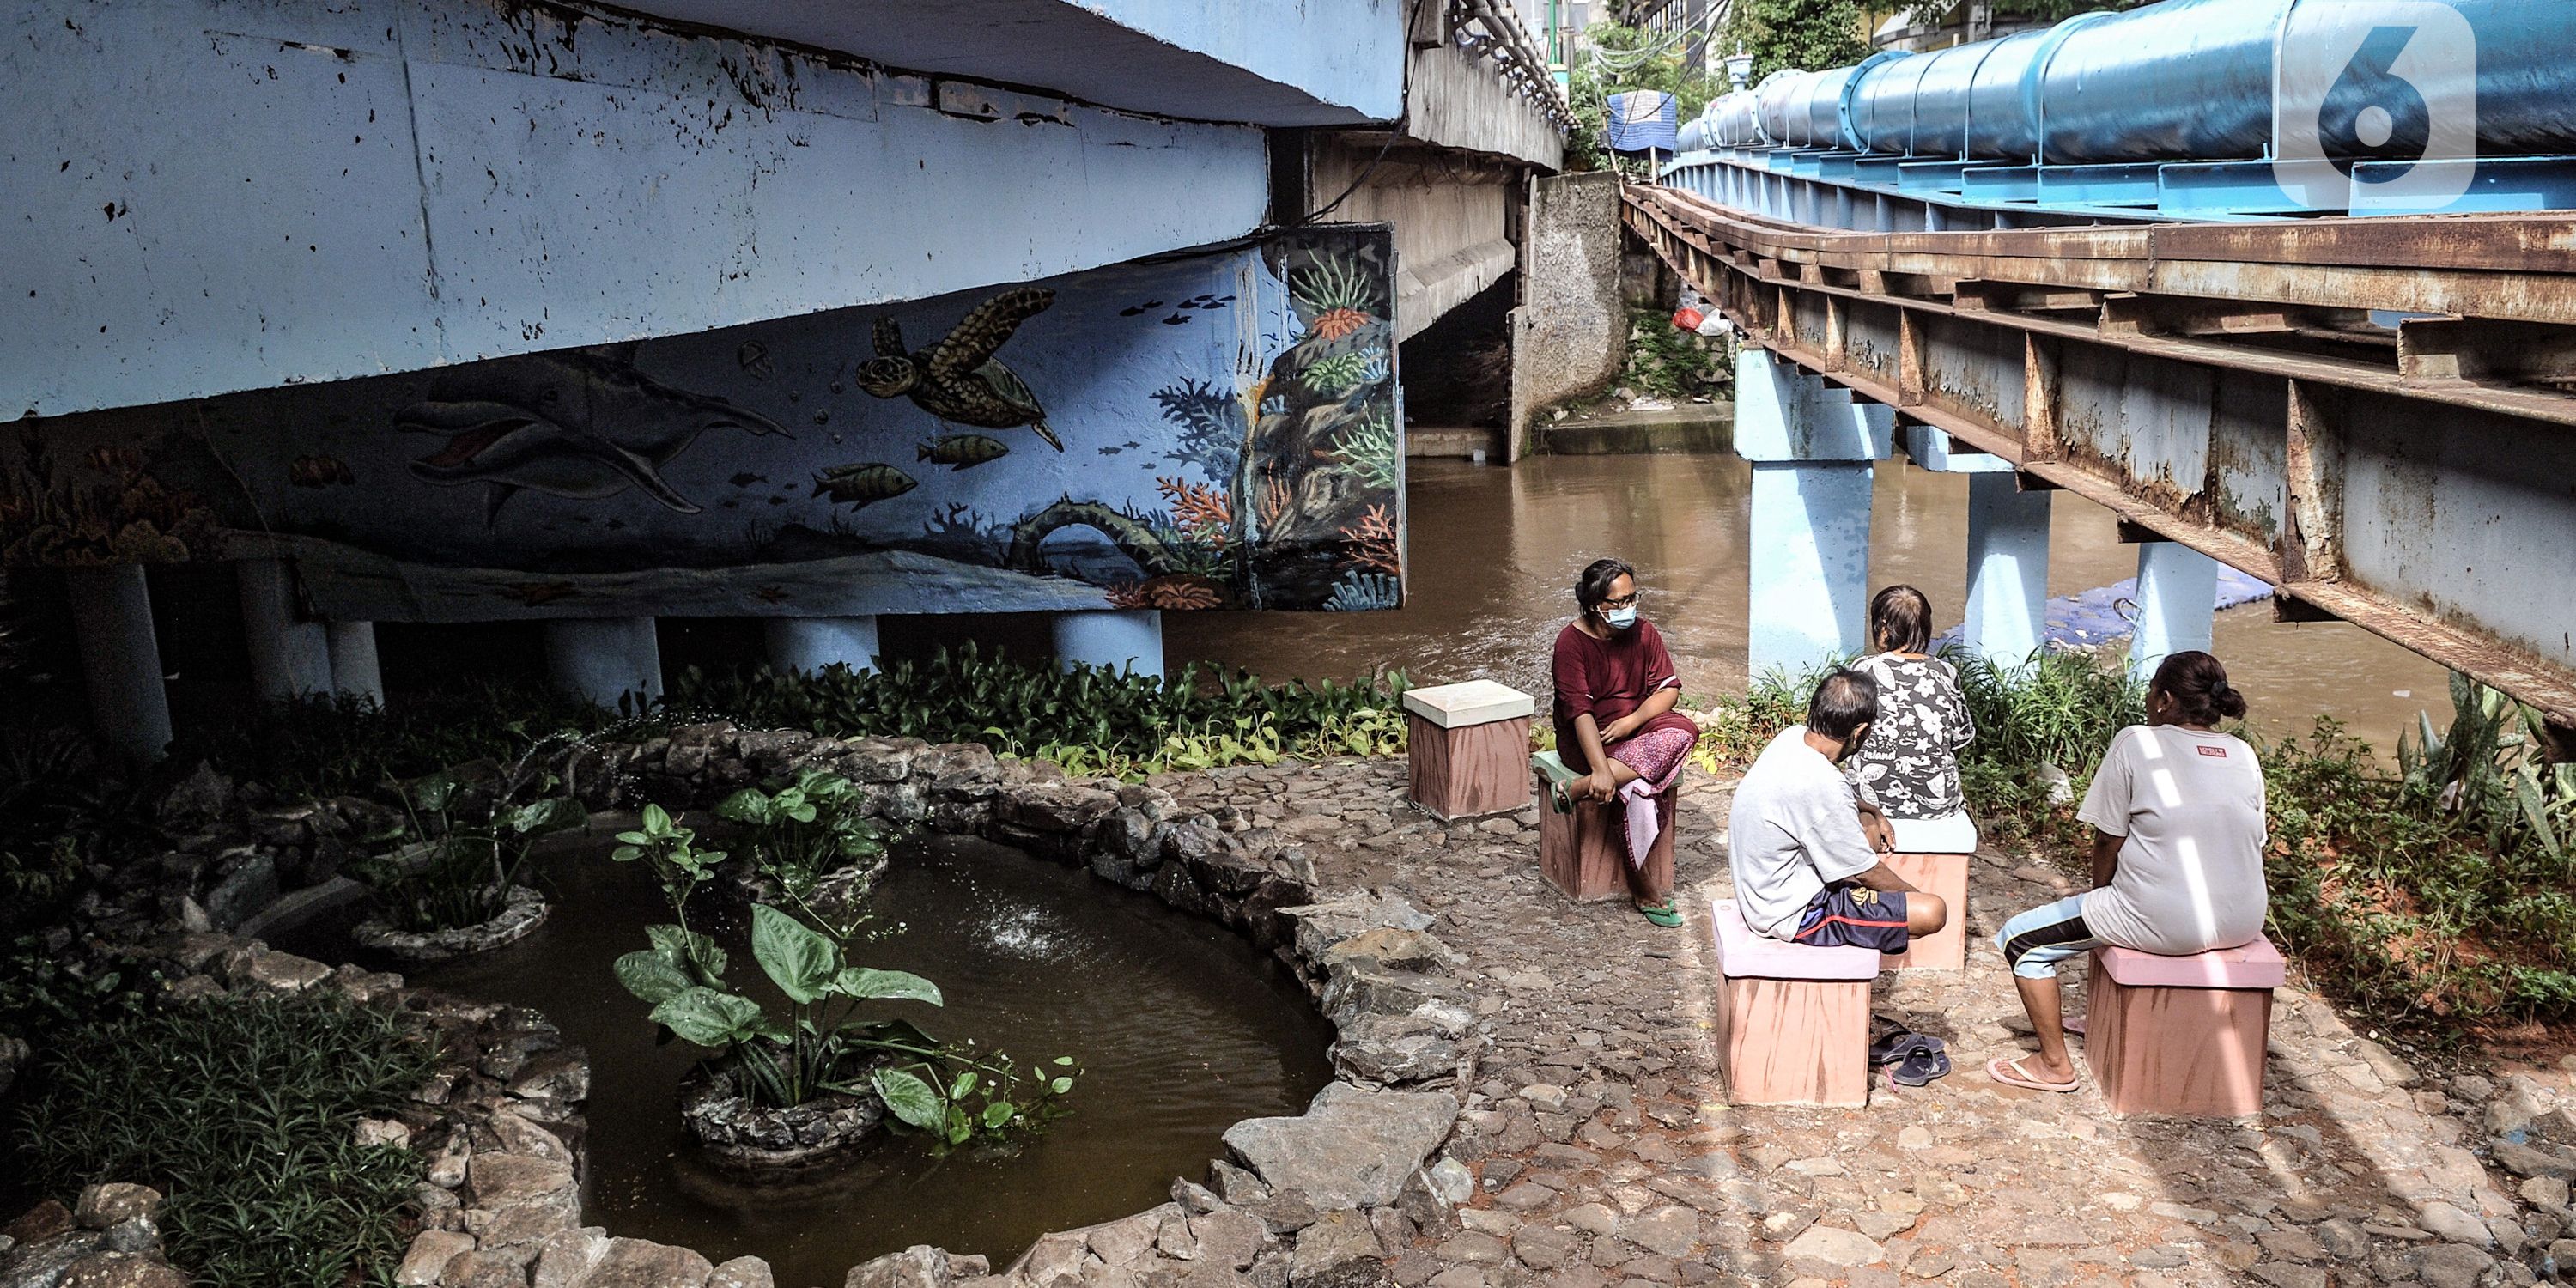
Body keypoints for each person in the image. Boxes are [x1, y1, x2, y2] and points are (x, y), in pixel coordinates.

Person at [1986, 651, 2267, 1093]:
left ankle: (2054, 1065)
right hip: (2243, 920)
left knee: (2020, 941)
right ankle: (2105, 1017)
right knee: (2102, 911)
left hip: (2166, 920)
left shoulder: (2138, 742)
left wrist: (2101, 893)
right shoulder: (2243, 754)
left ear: (2164, 699)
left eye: (2152, 688)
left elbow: (2107, 840)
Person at [1727, 670, 1949, 951]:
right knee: (1932, 911)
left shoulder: (1791, 738)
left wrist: (1874, 812)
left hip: (1766, 890)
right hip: (1796, 913)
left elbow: (1820, 804)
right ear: (1860, 732)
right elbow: (1869, 873)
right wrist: (1911, 897)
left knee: (1866, 822)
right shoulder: (1825, 784)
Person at [1551, 557, 1704, 927]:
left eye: (1632, 599)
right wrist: (1601, 769)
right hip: (1588, 740)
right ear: (1593, 604)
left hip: (1633, 732)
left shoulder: (1645, 632)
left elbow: (1668, 690)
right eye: (1617, 603)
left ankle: (1579, 789)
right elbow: (1579, 712)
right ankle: (1641, 883)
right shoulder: (1570, 644)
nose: (1627, 609)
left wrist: (1632, 721)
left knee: (1685, 730)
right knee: (1635, 784)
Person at [1844, 586, 1978, 848]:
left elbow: (1842, 736)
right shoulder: (1946, 672)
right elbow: (1959, 740)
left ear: (1883, 629)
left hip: (1869, 804)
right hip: (1938, 805)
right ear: (1925, 628)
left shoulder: (1862, 669)